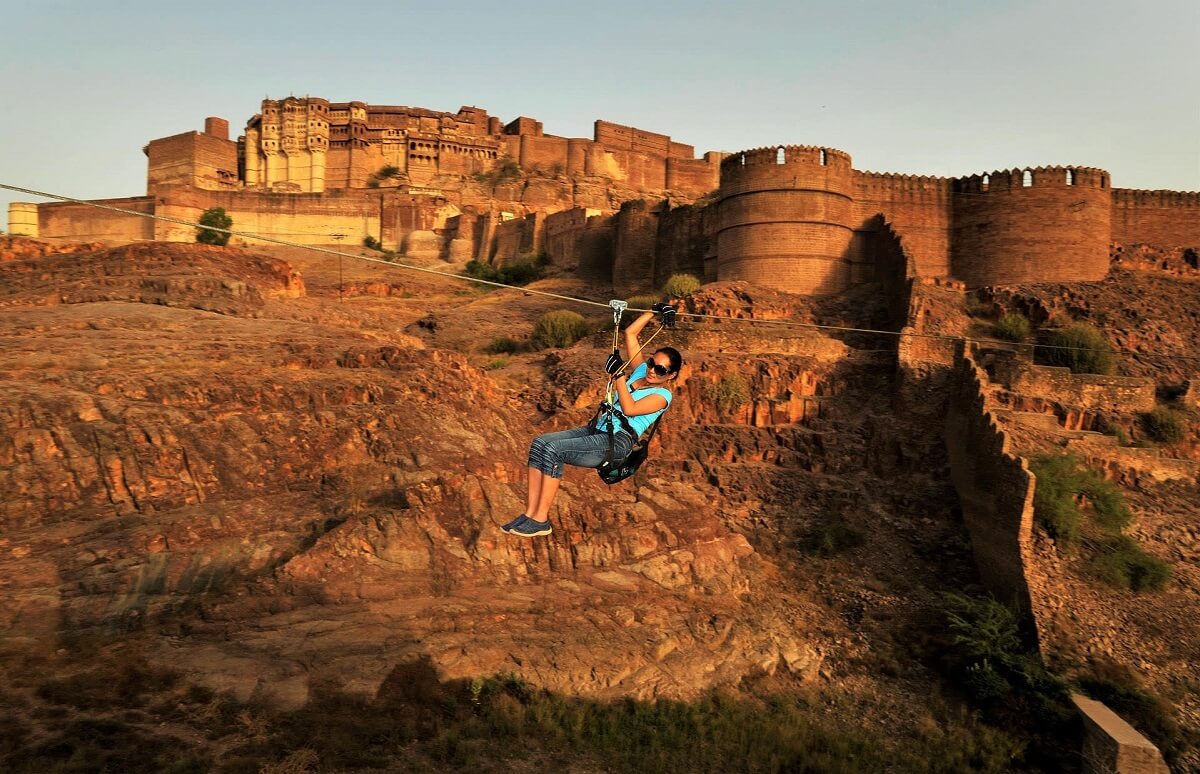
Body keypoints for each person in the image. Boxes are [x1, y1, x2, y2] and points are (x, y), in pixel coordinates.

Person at [504, 307, 683, 537]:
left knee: (553, 450)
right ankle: (529, 514)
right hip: (597, 429)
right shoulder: (640, 372)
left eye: (660, 370)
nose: (652, 370)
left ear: (671, 375)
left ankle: (541, 520)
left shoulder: (663, 396)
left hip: (616, 443)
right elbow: (630, 333)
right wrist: (654, 310)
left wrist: (618, 375)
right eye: (651, 363)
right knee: (539, 443)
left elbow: (629, 409)